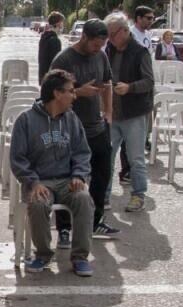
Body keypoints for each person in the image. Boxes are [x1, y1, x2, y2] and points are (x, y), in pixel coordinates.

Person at [10, 69, 95, 277]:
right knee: (38, 203)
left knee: (84, 199)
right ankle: (43, 254)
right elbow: (18, 158)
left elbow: (82, 152)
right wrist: (32, 182)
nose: (74, 96)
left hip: (67, 181)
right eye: (70, 91)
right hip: (41, 181)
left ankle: (80, 257)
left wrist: (78, 175)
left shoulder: (72, 119)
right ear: (57, 93)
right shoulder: (26, 120)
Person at [50, 18, 120, 237]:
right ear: (84, 37)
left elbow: (107, 84)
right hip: (69, 128)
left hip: (96, 127)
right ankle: (64, 227)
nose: (97, 49)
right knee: (68, 178)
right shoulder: (65, 59)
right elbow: (50, 94)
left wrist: (108, 113)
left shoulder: (101, 56)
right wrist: (78, 92)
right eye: (95, 44)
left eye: (101, 44)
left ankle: (95, 220)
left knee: (102, 174)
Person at [104, 13, 154, 213]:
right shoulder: (109, 50)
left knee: (136, 158)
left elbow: (149, 82)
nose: (110, 39)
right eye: (108, 35)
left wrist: (130, 87)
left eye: (113, 34)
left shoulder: (140, 52)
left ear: (125, 31)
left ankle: (138, 195)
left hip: (134, 113)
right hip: (112, 113)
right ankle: (103, 195)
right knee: (106, 157)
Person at [38, 12, 65, 84]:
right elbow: (55, 62)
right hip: (51, 80)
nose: (63, 26)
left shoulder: (44, 37)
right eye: (62, 23)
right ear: (58, 23)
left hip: (43, 77)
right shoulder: (55, 40)